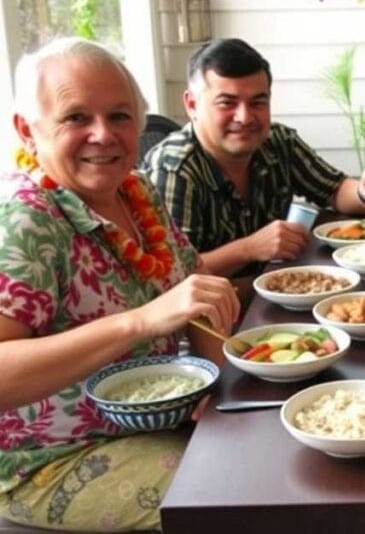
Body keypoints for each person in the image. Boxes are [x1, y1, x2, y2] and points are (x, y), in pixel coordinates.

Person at [0, 38, 239, 531]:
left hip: (162, 418)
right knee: (235, 494)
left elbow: (196, 294)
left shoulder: (135, 191)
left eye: (120, 116)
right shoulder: (27, 219)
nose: (102, 134)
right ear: (27, 130)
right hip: (48, 459)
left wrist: (220, 397)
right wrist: (139, 321)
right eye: (75, 117)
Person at [144, 38, 365, 277]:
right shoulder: (173, 169)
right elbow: (172, 275)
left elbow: (335, 190)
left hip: (279, 290)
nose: (245, 117)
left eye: (258, 102)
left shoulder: (278, 142)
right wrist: (249, 248)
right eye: (227, 103)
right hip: (212, 314)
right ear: (192, 105)